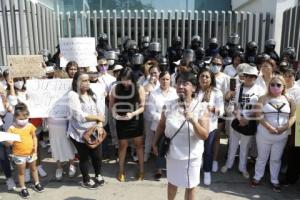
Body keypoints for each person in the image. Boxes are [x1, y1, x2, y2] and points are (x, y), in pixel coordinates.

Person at [152, 72, 209, 200]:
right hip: (172, 155)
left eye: (185, 83)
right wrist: (154, 143)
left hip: (191, 157)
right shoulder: (168, 105)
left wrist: (193, 120)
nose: (181, 86)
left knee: (190, 186)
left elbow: (204, 135)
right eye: (178, 83)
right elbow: (161, 125)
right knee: (172, 182)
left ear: (194, 88)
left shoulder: (201, 108)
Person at [251, 75, 296, 192]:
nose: (275, 87)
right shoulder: (263, 98)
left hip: (282, 135)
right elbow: (258, 115)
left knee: (276, 159)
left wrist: (285, 127)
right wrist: (269, 127)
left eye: (278, 85)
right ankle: (257, 177)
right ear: (269, 85)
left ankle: (274, 179)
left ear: (283, 86)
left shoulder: (289, 99)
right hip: (264, 134)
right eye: (272, 84)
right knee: (262, 157)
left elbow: (293, 115)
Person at [221, 64, 263, 179]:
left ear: (256, 77)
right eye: (248, 76)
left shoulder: (260, 90)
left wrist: (247, 120)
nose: (250, 78)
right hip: (237, 119)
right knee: (233, 144)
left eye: (253, 76)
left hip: (250, 121)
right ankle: (228, 164)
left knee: (245, 147)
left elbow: (260, 107)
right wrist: (239, 117)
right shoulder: (237, 88)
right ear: (244, 76)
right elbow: (232, 104)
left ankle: (242, 168)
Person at [67, 71, 106, 189]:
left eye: (88, 80)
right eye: (83, 80)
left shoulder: (93, 94)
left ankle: (98, 174)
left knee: (97, 155)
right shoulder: (73, 95)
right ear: (76, 82)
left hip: (94, 131)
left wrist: (99, 125)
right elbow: (79, 115)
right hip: (78, 133)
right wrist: (97, 118)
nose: (87, 83)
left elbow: (101, 112)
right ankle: (86, 179)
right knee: (84, 157)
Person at [110, 67, 145, 182]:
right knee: (122, 146)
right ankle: (121, 170)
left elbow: (143, 107)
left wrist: (133, 114)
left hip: (136, 120)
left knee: (139, 145)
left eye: (128, 80)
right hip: (121, 120)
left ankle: (141, 170)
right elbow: (111, 106)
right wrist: (115, 115)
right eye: (123, 79)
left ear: (132, 79)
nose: (125, 82)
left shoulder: (139, 88)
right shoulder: (115, 88)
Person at [6, 103, 45, 198]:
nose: (23, 121)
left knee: (34, 168)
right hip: (19, 155)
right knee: (21, 172)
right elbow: (8, 144)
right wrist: (9, 142)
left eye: (25, 118)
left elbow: (34, 137)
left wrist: (35, 146)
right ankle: (23, 188)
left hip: (31, 153)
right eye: (21, 119)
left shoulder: (30, 125)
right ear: (15, 117)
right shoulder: (11, 128)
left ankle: (37, 183)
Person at [147, 71, 178, 180]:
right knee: (159, 146)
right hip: (158, 125)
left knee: (171, 146)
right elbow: (151, 111)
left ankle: (171, 168)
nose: (165, 81)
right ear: (159, 80)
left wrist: (170, 119)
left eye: (167, 79)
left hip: (173, 125)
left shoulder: (175, 92)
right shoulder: (154, 93)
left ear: (170, 80)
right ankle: (159, 169)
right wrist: (162, 120)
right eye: (163, 79)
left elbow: (178, 108)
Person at [197, 68, 224, 185]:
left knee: (207, 150)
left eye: (207, 77)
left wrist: (213, 109)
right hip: (195, 125)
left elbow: (221, 111)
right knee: (196, 150)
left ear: (211, 79)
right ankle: (196, 170)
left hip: (210, 126)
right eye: (202, 76)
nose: (204, 79)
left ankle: (207, 172)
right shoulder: (194, 91)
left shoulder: (217, 92)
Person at [47, 72, 77, 181]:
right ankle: (59, 166)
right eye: (55, 79)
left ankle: (72, 164)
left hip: (65, 122)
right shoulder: (48, 91)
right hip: (53, 122)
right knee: (55, 144)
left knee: (68, 144)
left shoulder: (70, 92)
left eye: (59, 79)